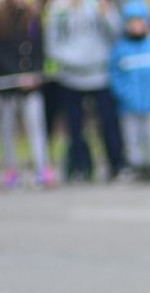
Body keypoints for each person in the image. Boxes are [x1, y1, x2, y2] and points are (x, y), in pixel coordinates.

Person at [44, 0, 125, 182]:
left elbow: (116, 33)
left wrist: (107, 14)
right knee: (75, 127)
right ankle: (80, 167)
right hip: (71, 77)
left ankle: (117, 164)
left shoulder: (100, 5)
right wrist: (73, 60)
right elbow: (51, 43)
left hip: (101, 74)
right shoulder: (59, 9)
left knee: (109, 123)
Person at [109, 0, 150, 181]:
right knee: (132, 137)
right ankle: (136, 166)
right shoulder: (120, 48)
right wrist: (124, 94)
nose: (137, 25)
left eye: (140, 21)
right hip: (129, 103)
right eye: (132, 22)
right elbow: (115, 74)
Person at [0, 0, 56, 188]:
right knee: (8, 130)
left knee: (36, 127)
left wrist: (34, 73)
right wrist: (16, 74)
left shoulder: (33, 20)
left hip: (32, 85)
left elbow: (40, 49)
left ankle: (42, 168)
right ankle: (11, 170)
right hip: (8, 87)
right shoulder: (2, 21)